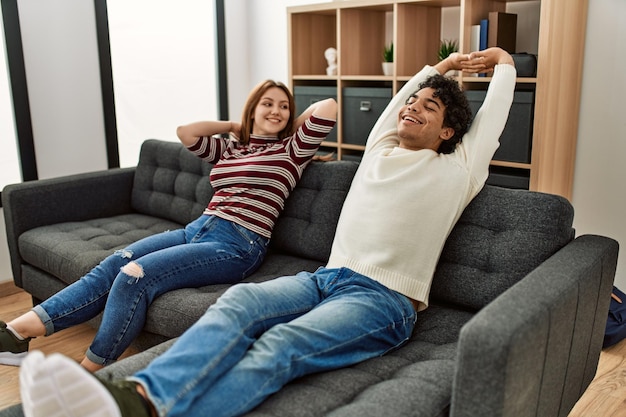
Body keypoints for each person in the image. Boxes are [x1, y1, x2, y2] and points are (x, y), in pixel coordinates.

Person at [18, 47, 516, 417]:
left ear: (449, 132)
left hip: (385, 301)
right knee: (236, 304)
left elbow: (492, 119)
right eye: (415, 101)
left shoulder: (460, 169)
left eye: (430, 109)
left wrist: (502, 59)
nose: (413, 107)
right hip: (326, 278)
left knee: (281, 344)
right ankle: (136, 395)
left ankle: (151, 411)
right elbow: (400, 101)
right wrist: (442, 68)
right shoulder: (380, 150)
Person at [0, 80, 337, 372]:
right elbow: (186, 132)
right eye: (267, 103)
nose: (275, 110)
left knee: (135, 274)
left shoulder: (293, 150)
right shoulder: (231, 149)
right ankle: (15, 334)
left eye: (283, 105)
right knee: (115, 262)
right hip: (199, 228)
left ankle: (89, 371)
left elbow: (329, 107)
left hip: (238, 244)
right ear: (252, 109)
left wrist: (290, 123)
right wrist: (236, 125)